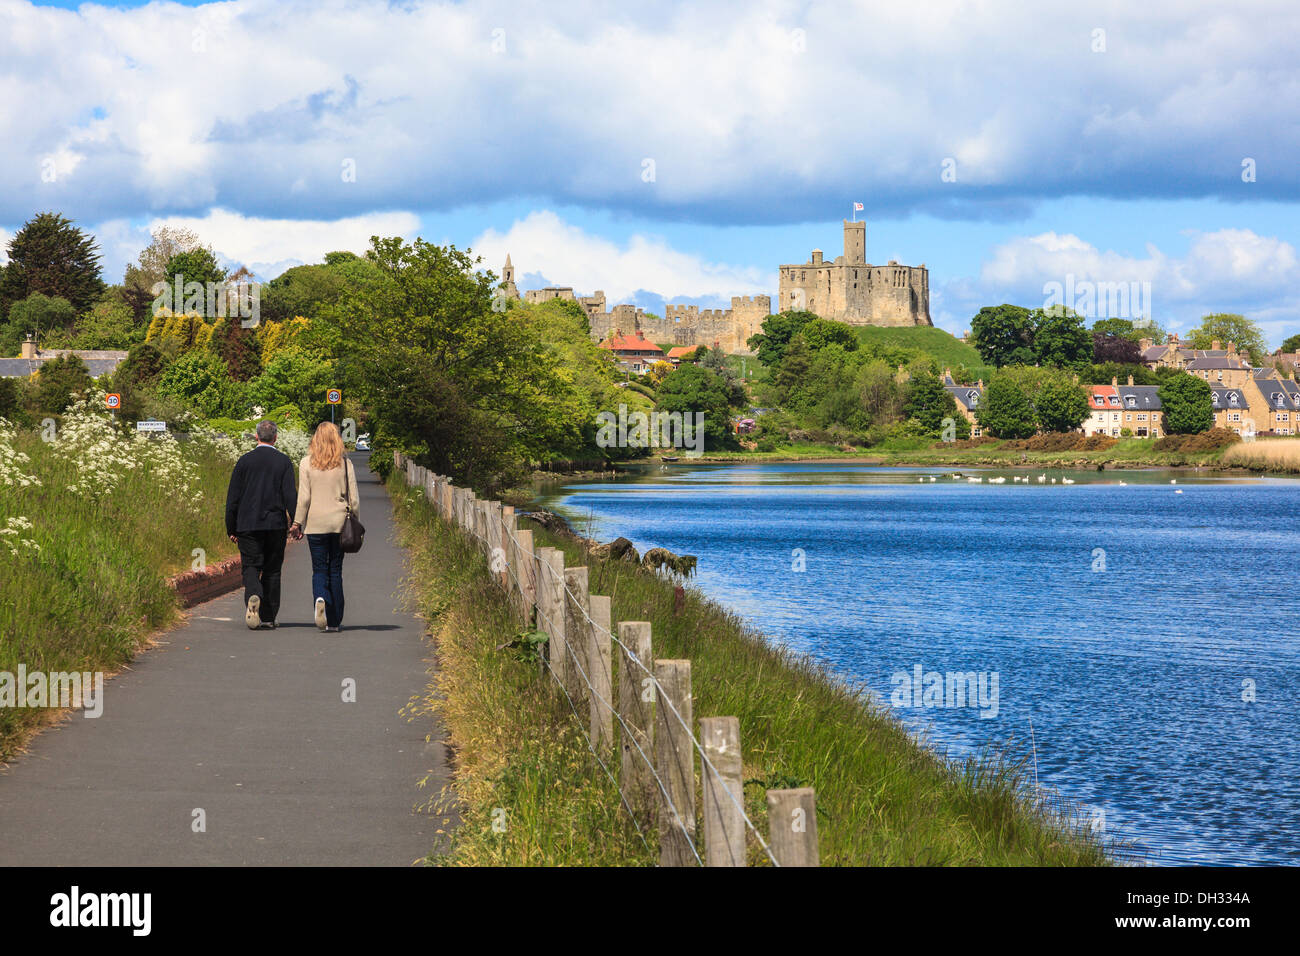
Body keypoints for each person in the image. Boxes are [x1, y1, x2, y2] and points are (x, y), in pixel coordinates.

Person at [225, 420, 297, 630]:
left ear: (256, 436)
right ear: (275, 438)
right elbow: (290, 496)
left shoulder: (244, 461)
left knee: (250, 566)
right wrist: (297, 522)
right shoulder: (283, 462)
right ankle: (267, 616)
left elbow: (233, 499)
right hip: (274, 524)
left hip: (247, 524)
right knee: (273, 570)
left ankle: (253, 593)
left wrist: (231, 527)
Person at [290, 422, 359, 633]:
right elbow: (353, 499)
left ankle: (320, 597)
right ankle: (335, 620)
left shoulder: (306, 463)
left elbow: (304, 498)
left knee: (319, 568)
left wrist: (297, 523)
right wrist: (354, 521)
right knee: (335, 570)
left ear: (315, 439)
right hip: (339, 523)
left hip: (316, 523)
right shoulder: (345, 464)